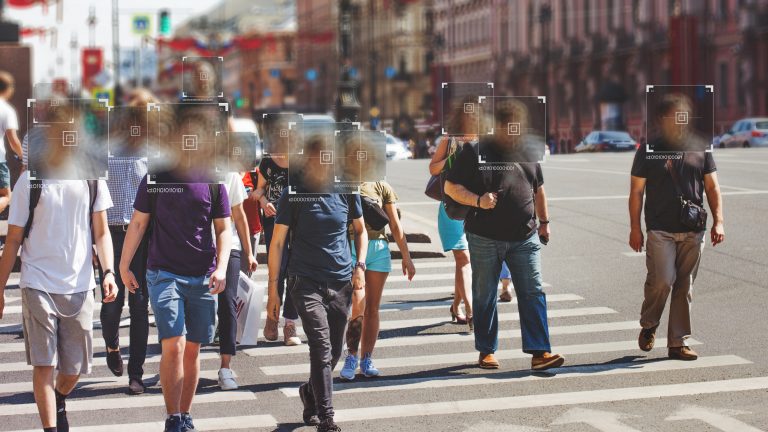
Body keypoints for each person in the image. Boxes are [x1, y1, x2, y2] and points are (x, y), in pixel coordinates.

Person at [444, 99, 564, 371]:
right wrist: (477, 200)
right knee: (485, 294)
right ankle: (486, 350)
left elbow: (538, 189)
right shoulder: (475, 151)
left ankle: (539, 352)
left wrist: (544, 222)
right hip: (485, 237)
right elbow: (451, 187)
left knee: (532, 291)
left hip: (525, 236)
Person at [0, 172, 117, 432]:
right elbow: (13, 239)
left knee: (74, 369)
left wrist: (109, 272)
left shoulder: (92, 177)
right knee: (45, 363)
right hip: (36, 281)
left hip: (80, 283)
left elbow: (101, 232)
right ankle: (50, 428)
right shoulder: (30, 180)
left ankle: (59, 397)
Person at [266, 148, 368, 431]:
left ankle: (309, 392)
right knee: (321, 348)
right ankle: (326, 417)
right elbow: (277, 243)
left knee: (334, 351)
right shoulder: (294, 192)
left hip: (340, 283)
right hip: (304, 281)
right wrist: (273, 290)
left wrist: (359, 266)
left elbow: (361, 230)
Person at [120, 174, 231, 432]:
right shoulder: (156, 178)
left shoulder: (214, 181)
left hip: (203, 276)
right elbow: (138, 223)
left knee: (193, 347)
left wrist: (222, 267)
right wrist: (123, 266)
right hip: (164, 273)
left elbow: (223, 228)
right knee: (174, 344)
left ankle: (185, 414)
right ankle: (173, 418)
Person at [629, 93, 725, 361]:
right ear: (662, 120)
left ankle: (677, 342)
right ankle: (649, 325)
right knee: (662, 281)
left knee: (685, 285)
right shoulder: (648, 148)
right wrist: (635, 228)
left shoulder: (701, 146)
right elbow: (636, 192)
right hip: (660, 228)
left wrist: (719, 220)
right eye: (674, 116)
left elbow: (712, 187)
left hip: (694, 228)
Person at [97, 89, 155, 395]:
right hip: (110, 234)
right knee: (111, 305)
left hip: (142, 238)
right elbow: (93, 200)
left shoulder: (152, 151)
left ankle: (137, 374)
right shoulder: (106, 149)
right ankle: (111, 345)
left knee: (139, 303)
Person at [340, 181, 416, 380]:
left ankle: (366, 359)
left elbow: (394, 223)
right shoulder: (343, 182)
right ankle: (351, 356)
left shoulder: (382, 186)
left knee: (372, 308)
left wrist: (406, 257)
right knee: (358, 303)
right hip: (352, 247)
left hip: (379, 249)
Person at [254, 138, 301, 346]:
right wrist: (264, 203)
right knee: (278, 270)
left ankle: (290, 324)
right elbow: (258, 190)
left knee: (294, 271)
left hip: (299, 224)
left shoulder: (302, 161)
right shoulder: (267, 162)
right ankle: (272, 318)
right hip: (274, 221)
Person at [429, 115, 473, 331]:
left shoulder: (484, 138)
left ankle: (456, 306)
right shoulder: (450, 138)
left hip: (476, 207)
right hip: (452, 207)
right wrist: (454, 158)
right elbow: (433, 168)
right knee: (463, 257)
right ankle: (472, 311)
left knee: (463, 261)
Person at [217, 171, 258, 390]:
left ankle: (225, 367)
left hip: (229, 245)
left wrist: (249, 252)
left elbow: (239, 214)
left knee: (227, 303)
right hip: (193, 247)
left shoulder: (228, 171)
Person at [0, 71, 23, 215]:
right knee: (5, 196)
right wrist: (23, 156)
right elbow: (13, 140)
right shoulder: (7, 110)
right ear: (9, 89)